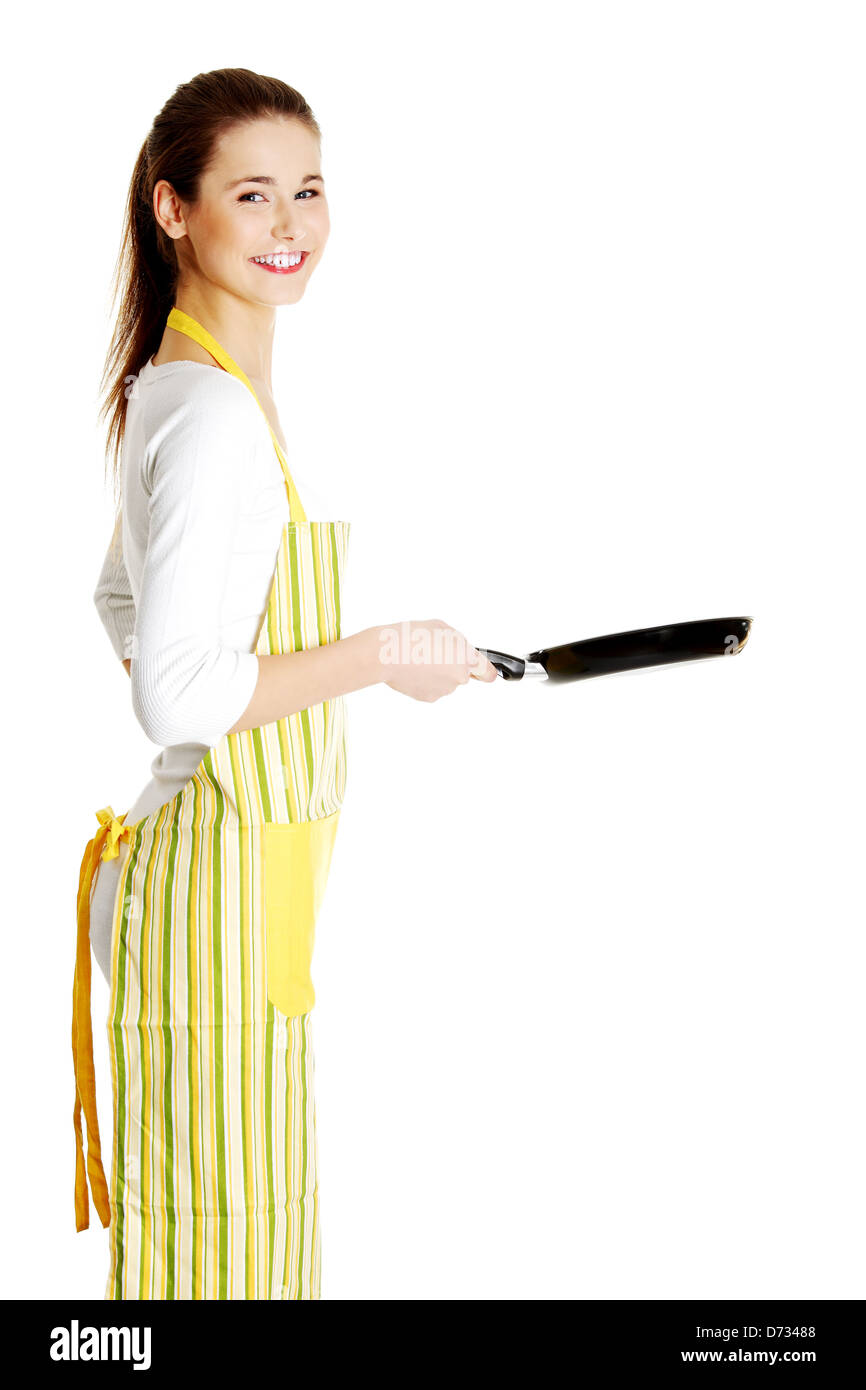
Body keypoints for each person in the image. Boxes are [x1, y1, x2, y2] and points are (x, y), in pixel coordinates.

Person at [72, 66, 498, 1302]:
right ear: (172, 210)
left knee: (228, 1246)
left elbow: (118, 600)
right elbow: (178, 699)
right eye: (251, 195)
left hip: (225, 892)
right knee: (224, 1263)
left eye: (307, 191)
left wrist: (216, 678)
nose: (290, 225)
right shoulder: (211, 416)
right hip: (210, 893)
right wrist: (375, 656)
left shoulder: (187, 386)